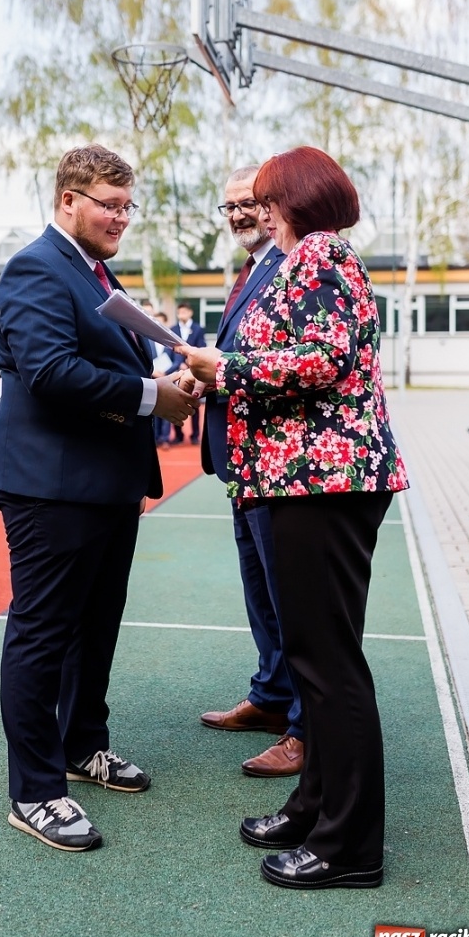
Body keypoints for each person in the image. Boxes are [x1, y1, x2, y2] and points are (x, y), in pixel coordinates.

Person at [178, 146, 408, 891]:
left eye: (269, 197)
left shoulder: (320, 253)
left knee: (330, 667)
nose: (260, 208)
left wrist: (225, 370)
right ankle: (314, 807)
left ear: (297, 198)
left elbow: (324, 360)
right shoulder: (309, 256)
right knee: (315, 662)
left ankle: (350, 848)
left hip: (324, 483)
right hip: (305, 482)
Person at [0, 143, 197, 853]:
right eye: (109, 204)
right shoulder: (35, 268)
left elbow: (103, 360)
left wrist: (167, 381)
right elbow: (49, 371)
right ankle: (36, 791)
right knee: (44, 633)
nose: (121, 217)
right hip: (51, 488)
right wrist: (151, 397)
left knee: (95, 628)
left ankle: (84, 746)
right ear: (67, 200)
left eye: (127, 206)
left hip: (105, 486)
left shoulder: (93, 272)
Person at [198, 165, 303, 779]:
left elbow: (287, 361)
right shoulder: (253, 268)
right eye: (229, 205)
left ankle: (299, 724)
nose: (238, 214)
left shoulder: (296, 266)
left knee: (288, 596)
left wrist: (221, 370)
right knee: (260, 588)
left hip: (277, 460)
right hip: (242, 459)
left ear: (274, 206)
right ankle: (271, 695)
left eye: (249, 203)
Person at [170, 302, 206, 445]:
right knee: (175, 401)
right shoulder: (173, 329)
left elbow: (201, 347)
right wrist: (178, 363)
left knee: (194, 401)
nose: (182, 314)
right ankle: (178, 435)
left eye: (185, 311)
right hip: (177, 370)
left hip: (194, 370)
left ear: (190, 312)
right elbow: (171, 348)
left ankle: (195, 435)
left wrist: (191, 363)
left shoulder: (198, 329)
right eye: (180, 312)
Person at [150, 310, 176, 450]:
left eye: (161, 320)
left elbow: (177, 361)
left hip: (168, 378)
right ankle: (154, 438)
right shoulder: (146, 339)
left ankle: (165, 439)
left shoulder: (171, 341)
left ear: (165, 322)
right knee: (153, 409)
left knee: (167, 408)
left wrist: (166, 373)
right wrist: (154, 372)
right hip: (152, 379)